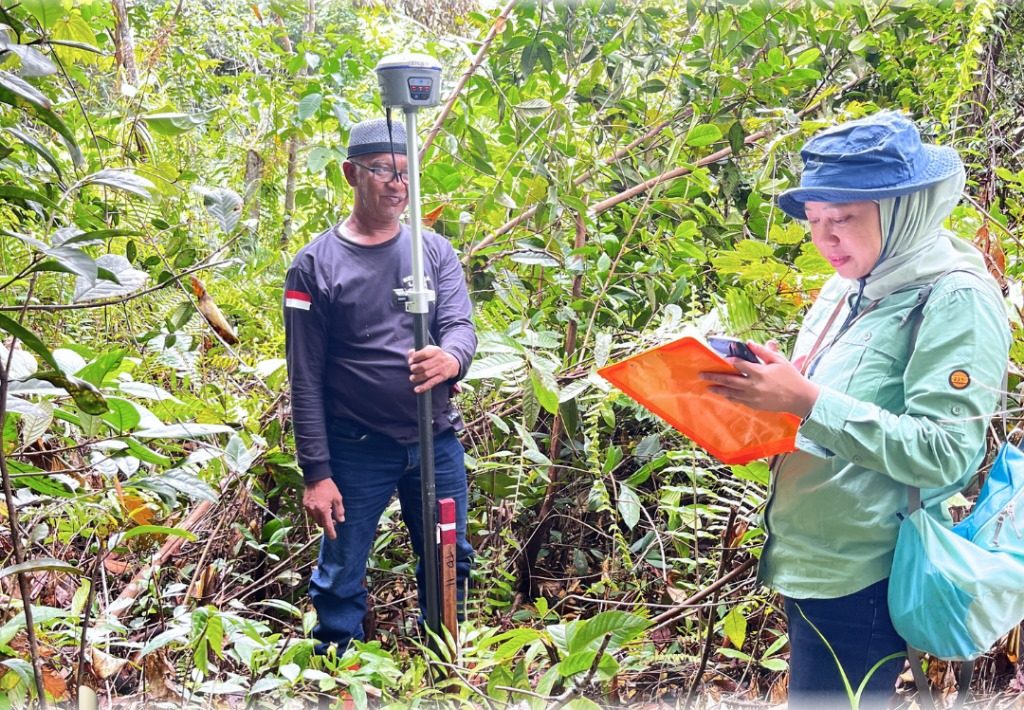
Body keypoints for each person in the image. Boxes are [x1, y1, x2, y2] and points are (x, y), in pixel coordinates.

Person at [701, 111, 1009, 708]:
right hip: (806, 555)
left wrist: (806, 401)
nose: (825, 239)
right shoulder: (848, 286)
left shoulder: (955, 298)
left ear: (903, 210)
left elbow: (947, 453)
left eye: (843, 219)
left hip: (867, 571)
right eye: (815, 221)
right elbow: (817, 412)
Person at [283, 118, 477, 653]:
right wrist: (317, 473)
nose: (397, 184)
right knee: (342, 565)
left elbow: (460, 325)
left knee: (449, 553)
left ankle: (443, 658)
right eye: (384, 171)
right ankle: (335, 666)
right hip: (356, 447)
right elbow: (305, 377)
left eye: (406, 173)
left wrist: (451, 359)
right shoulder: (314, 266)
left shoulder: (433, 252)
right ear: (351, 173)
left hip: (435, 440)